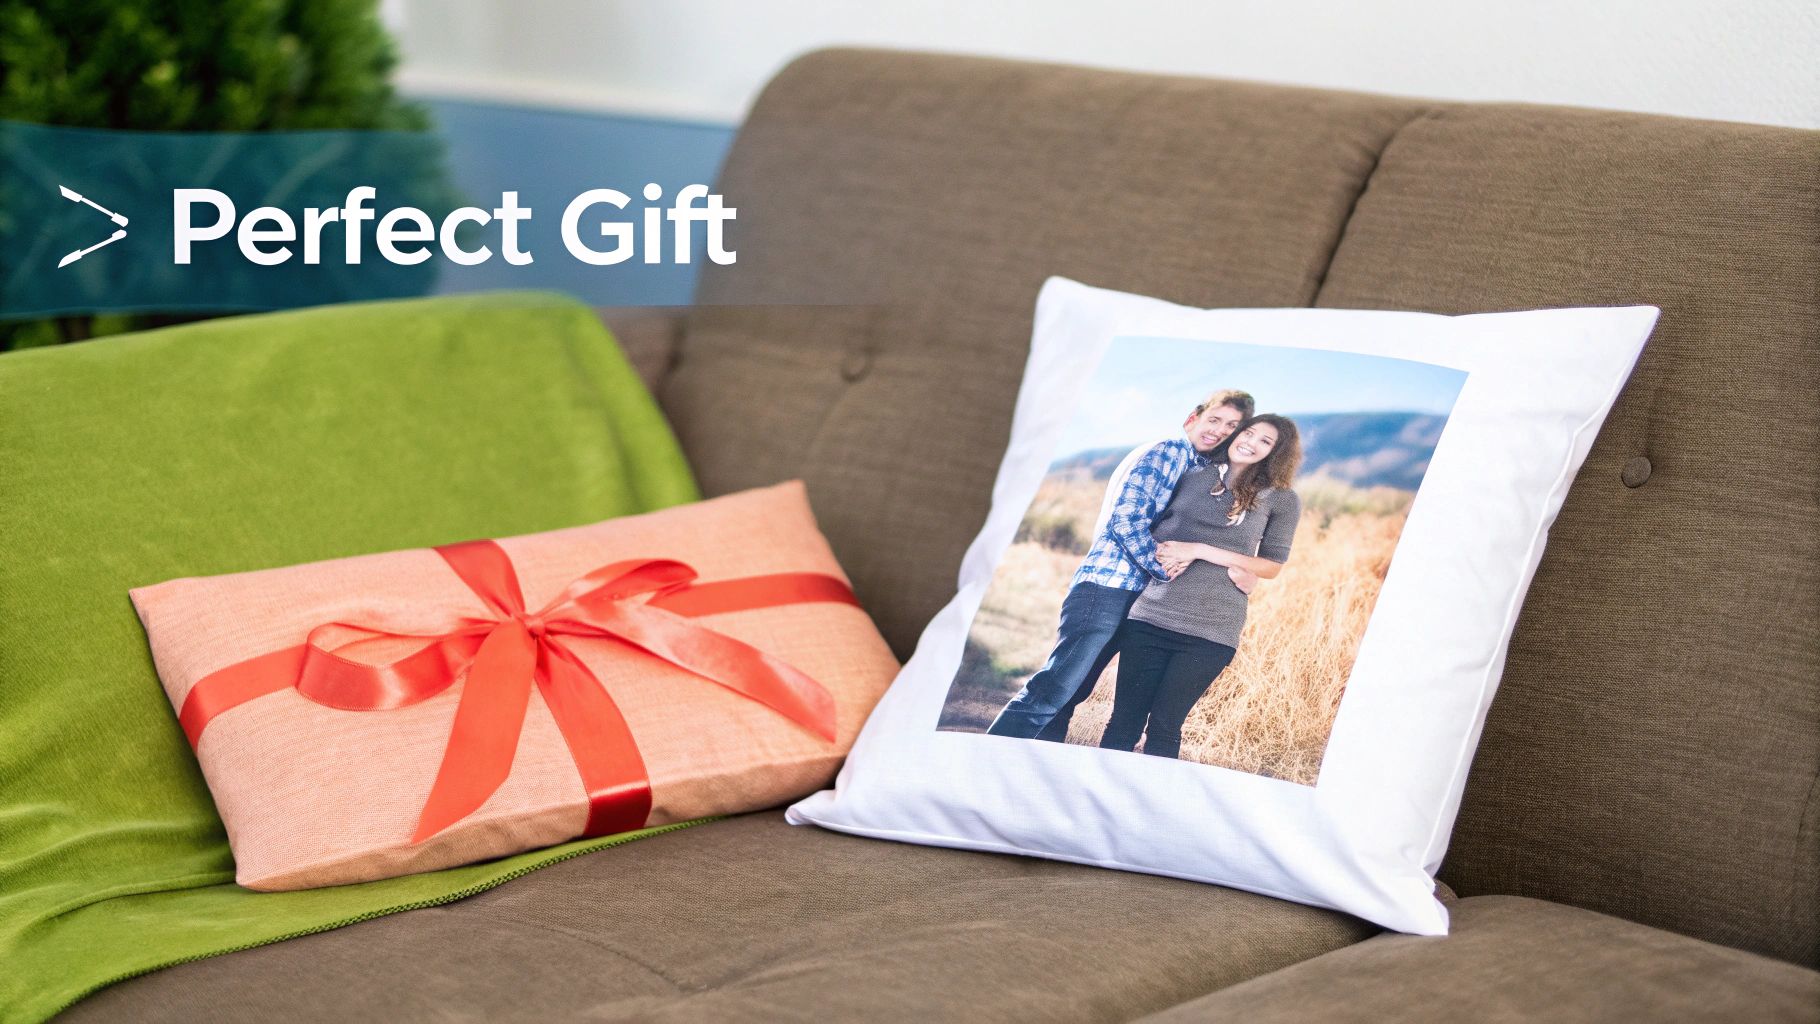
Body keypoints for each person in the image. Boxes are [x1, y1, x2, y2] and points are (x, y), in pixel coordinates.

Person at [984, 388, 1255, 739]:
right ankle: (988, 758)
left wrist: (1243, 573)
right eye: (1214, 419)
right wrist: (1161, 569)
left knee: (1072, 692)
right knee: (1056, 686)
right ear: (1192, 419)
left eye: (1231, 426)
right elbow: (1126, 520)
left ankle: (1027, 767)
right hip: (1108, 586)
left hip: (1137, 598)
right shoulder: (1169, 452)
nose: (1220, 430)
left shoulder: (1201, 471)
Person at [1097, 414, 1303, 759]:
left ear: (1276, 453)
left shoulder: (1281, 499)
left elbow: (1271, 566)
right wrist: (1169, 551)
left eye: (1265, 441)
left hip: (1212, 631)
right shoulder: (1192, 475)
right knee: (1123, 721)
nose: (1250, 442)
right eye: (1248, 433)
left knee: (1165, 727)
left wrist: (1200, 551)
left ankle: (1146, 807)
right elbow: (1152, 528)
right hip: (1151, 616)